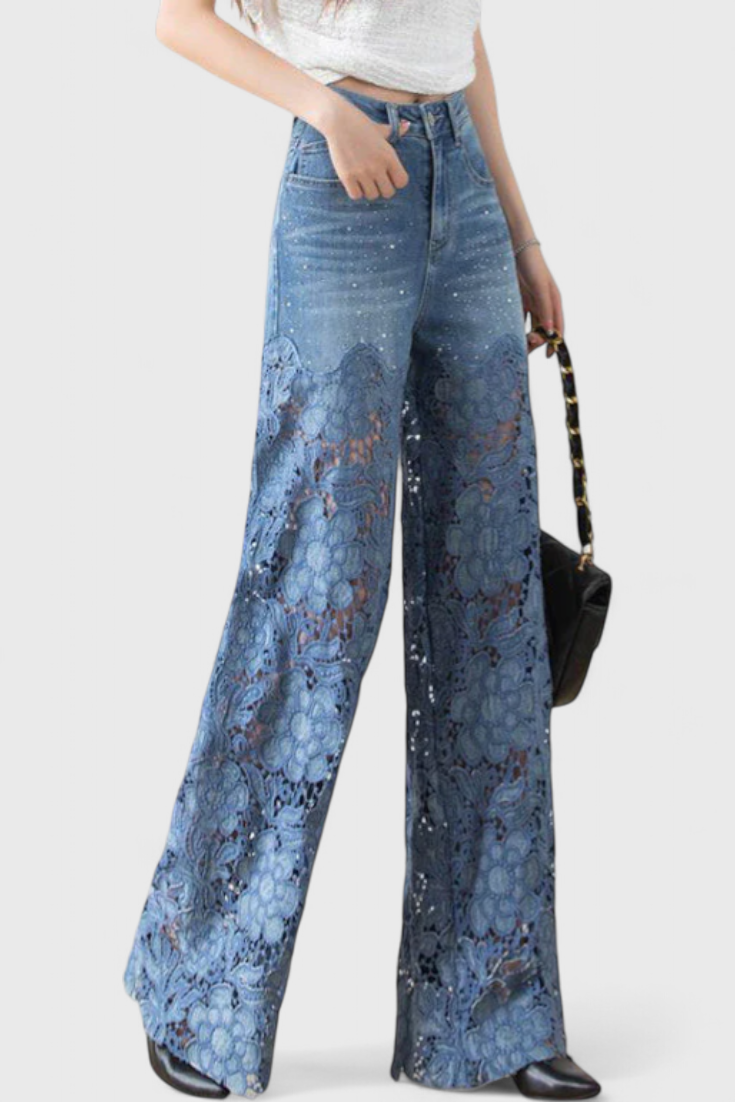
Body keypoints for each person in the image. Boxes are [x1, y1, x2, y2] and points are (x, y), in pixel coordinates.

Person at [123, 1, 602, 1099]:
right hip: (340, 192)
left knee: (493, 608)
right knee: (314, 596)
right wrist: (322, 108)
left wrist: (522, 234)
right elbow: (178, 19)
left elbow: (462, 41)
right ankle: (198, 986)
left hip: (465, 198)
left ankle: (494, 1012)